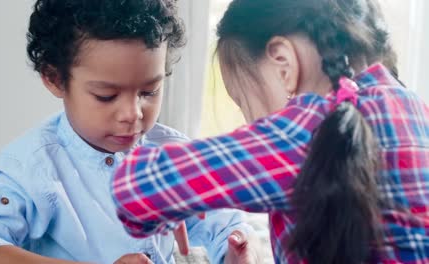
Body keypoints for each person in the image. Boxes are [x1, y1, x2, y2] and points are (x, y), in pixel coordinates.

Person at [112, 0, 429, 263]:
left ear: (283, 66)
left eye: (245, 104)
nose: (250, 128)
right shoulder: (414, 109)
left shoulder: (306, 131)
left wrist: (174, 204)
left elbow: (135, 187)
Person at [0, 0, 260, 263]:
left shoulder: (173, 153)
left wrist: (237, 247)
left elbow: (224, 223)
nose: (133, 114)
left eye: (149, 91)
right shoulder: (29, 168)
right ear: (55, 79)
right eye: (106, 96)